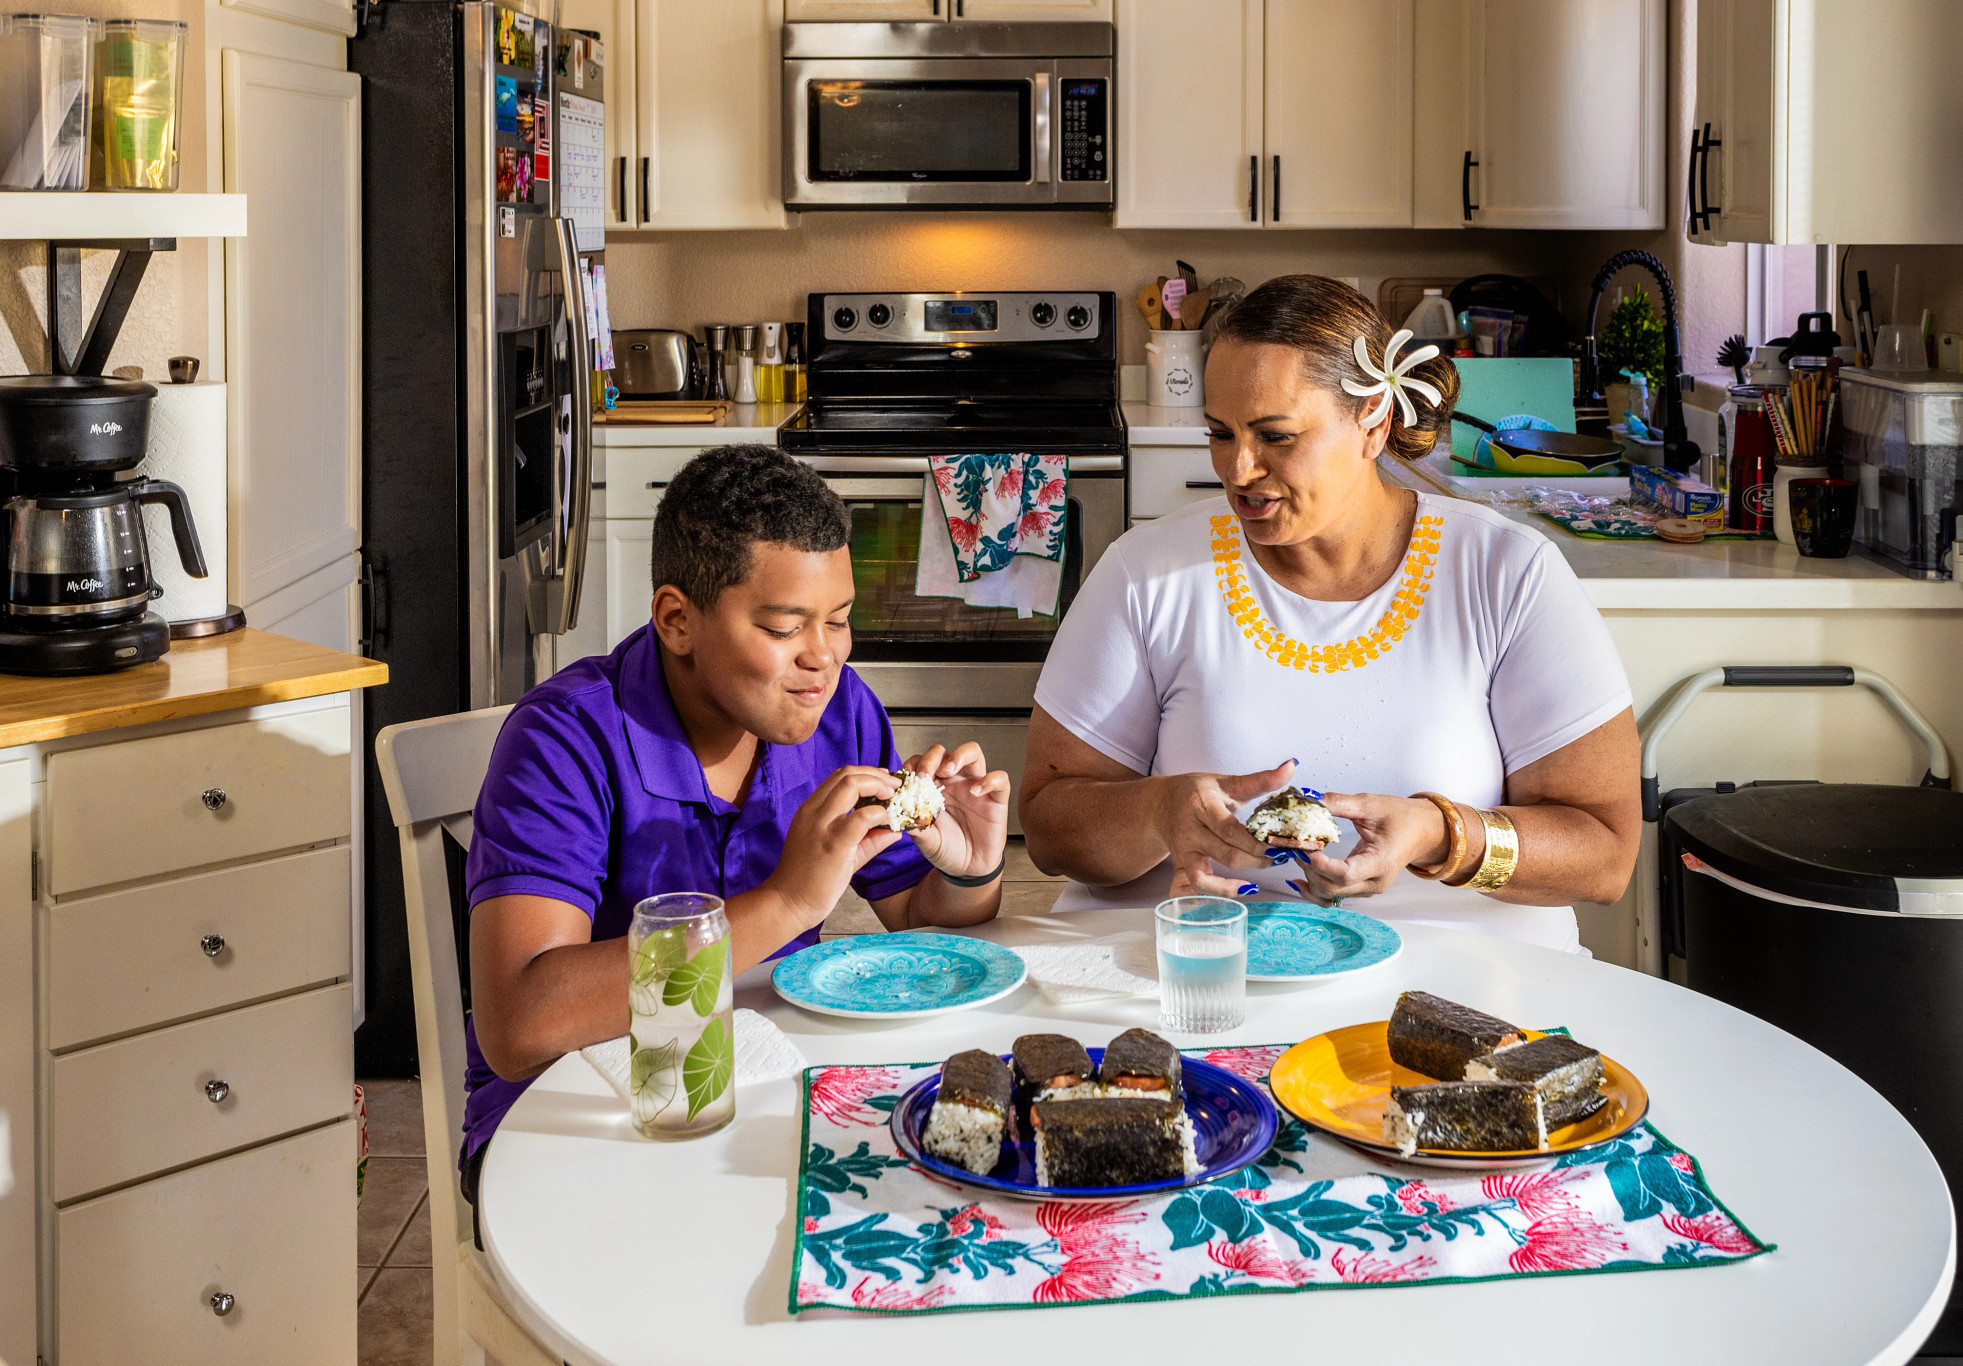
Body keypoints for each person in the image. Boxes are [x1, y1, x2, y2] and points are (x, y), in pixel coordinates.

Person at [1020, 275, 1639, 952]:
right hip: (1212, 969)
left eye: (1276, 436)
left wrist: (1441, 835)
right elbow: (1052, 827)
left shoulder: (1507, 574)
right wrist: (1158, 814)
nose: (1240, 469)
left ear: (1373, 421)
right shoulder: (1146, 576)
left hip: (1465, 975)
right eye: (1219, 434)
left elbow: (1605, 854)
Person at [461, 444, 1009, 1193]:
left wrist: (970, 867)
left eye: (839, 621)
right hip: (572, 1122)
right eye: (785, 629)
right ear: (678, 620)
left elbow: (920, 913)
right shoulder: (564, 741)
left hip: (760, 1086)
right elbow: (520, 1026)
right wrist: (786, 902)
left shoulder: (841, 711)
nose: (824, 659)